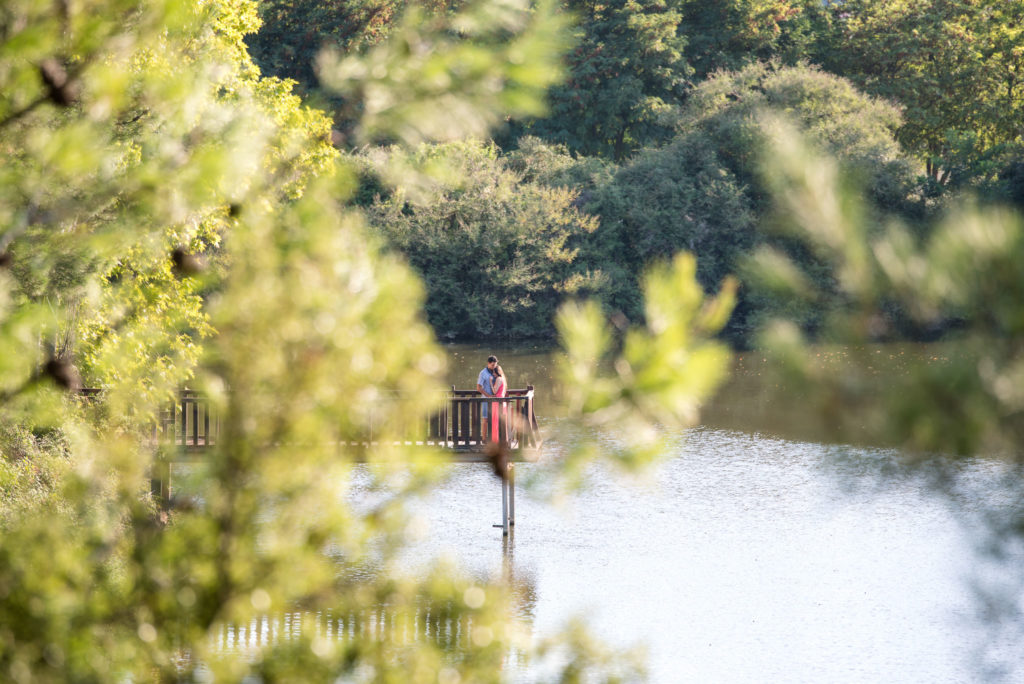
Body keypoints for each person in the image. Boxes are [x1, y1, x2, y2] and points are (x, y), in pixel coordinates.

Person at [477, 355, 498, 439]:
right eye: (493, 365)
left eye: (495, 365)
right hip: (486, 399)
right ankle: (484, 439)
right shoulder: (483, 373)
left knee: (496, 419)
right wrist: (488, 396)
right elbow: (478, 388)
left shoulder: (496, 371)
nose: (494, 367)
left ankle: (494, 439)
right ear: (488, 363)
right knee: (485, 420)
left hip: (496, 399)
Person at [490, 364, 508, 442]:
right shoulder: (503, 379)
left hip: (497, 402)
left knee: (495, 421)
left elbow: (494, 391)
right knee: (501, 421)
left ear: (497, 372)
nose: (493, 374)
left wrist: (491, 382)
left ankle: (495, 440)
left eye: (494, 372)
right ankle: (502, 439)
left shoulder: (498, 379)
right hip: (502, 401)